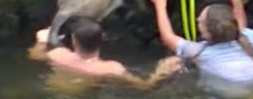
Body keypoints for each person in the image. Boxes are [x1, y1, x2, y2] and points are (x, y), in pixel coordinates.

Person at [141, 0, 253, 98]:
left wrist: (159, 3)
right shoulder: (249, 39)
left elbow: (167, 37)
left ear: (208, 35)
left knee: (173, 66)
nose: (197, 19)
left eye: (200, 21)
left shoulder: (201, 52)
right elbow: (240, 23)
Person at [27, 16, 182, 91]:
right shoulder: (110, 69)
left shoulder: (58, 55)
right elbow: (145, 86)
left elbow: (33, 55)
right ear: (102, 38)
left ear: (74, 41)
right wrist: (162, 71)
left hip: (54, 89)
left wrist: (41, 40)